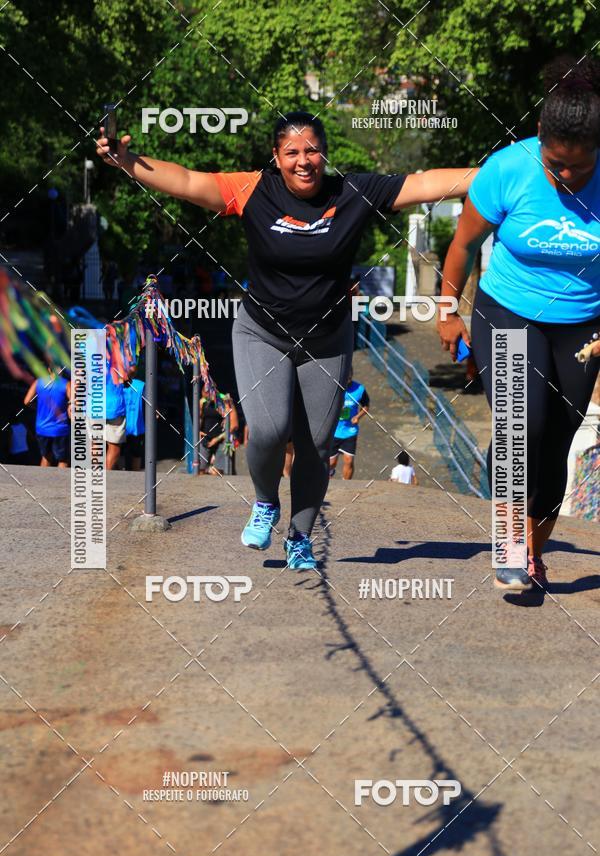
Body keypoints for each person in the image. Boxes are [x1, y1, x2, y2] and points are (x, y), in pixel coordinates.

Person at [98, 111, 476, 569]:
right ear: (276, 158)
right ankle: (264, 501)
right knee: (271, 430)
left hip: (327, 341)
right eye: (292, 152)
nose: (304, 161)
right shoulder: (255, 189)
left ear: (325, 153)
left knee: (315, 448)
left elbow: (425, 183)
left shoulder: (353, 192)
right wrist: (127, 161)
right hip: (262, 333)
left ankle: (299, 537)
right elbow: (186, 181)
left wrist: (502, 171)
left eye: (312, 150)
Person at [437, 56, 600, 592]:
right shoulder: (508, 169)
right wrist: (447, 310)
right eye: (556, 164)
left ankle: (533, 551)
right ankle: (508, 548)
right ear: (538, 138)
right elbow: (462, 246)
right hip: (506, 309)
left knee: (557, 440)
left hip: (581, 325)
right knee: (518, 427)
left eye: (579, 166)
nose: (566, 176)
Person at [23, 371, 71, 468]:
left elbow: (27, 401)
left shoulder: (38, 382)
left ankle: (40, 482)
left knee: (46, 457)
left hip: (42, 428)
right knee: (63, 460)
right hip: (60, 429)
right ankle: (59, 482)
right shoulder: (66, 384)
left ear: (49, 370)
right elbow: (73, 405)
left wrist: (37, 407)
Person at [329, 370, 370, 480]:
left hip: (350, 431)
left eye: (349, 376)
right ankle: (329, 478)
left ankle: (346, 484)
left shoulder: (359, 389)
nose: (348, 379)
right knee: (331, 463)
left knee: (349, 460)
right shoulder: (334, 386)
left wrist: (358, 417)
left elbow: (366, 405)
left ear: (352, 374)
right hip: (334, 431)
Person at [123, 371, 145, 471]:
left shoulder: (140, 386)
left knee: (137, 453)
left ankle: (135, 475)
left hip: (137, 428)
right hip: (119, 426)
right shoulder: (114, 386)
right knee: (119, 452)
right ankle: (119, 474)